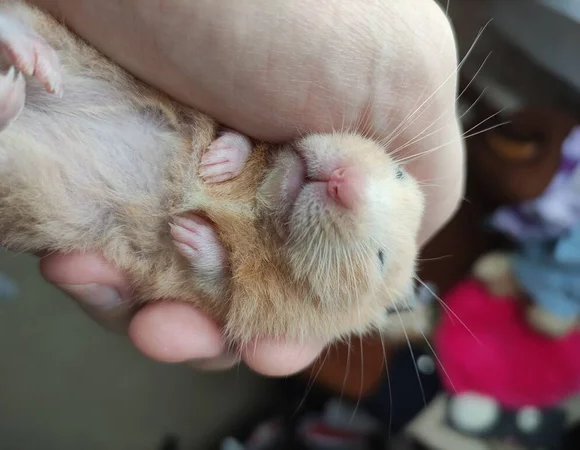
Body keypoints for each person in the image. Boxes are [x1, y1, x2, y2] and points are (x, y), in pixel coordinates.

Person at [28, 0, 464, 376]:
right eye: (398, 175)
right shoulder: (293, 129)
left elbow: (232, 297)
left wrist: (212, 265)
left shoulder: (297, 304)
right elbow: (245, 146)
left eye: (379, 256)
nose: (356, 188)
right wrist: (236, 144)